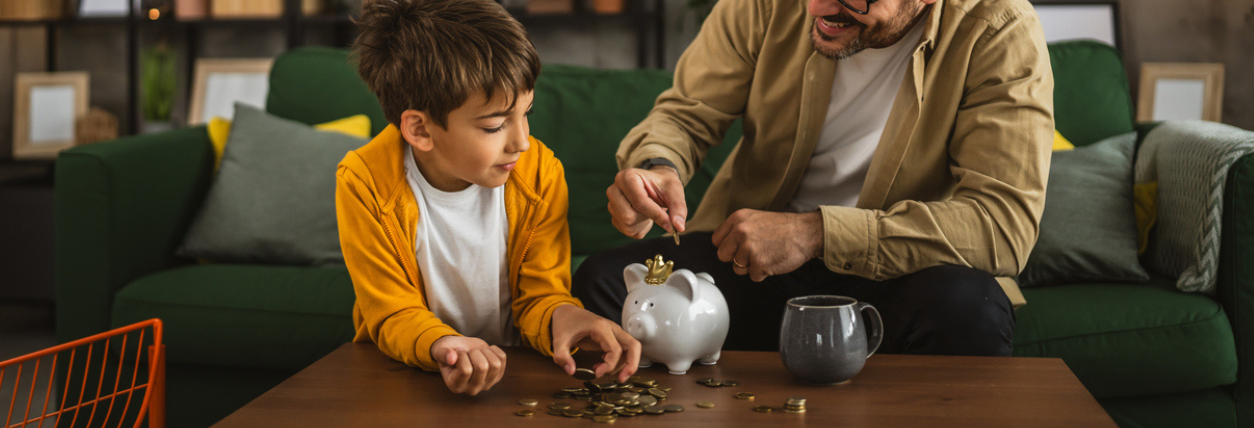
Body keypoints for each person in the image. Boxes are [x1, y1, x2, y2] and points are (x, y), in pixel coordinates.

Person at [574, 0, 1054, 356]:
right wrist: (657, 166)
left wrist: (816, 232)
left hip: (904, 273)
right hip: (750, 261)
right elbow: (686, 112)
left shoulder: (999, 30)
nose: (817, 8)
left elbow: (1002, 225)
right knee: (606, 284)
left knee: (969, 310)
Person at [337, 0, 640, 396]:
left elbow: (541, 294)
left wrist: (564, 315)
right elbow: (390, 310)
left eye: (527, 113)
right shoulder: (365, 183)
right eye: (496, 125)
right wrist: (443, 345)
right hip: (408, 378)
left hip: (515, 376)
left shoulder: (540, 173)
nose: (522, 141)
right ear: (420, 130)